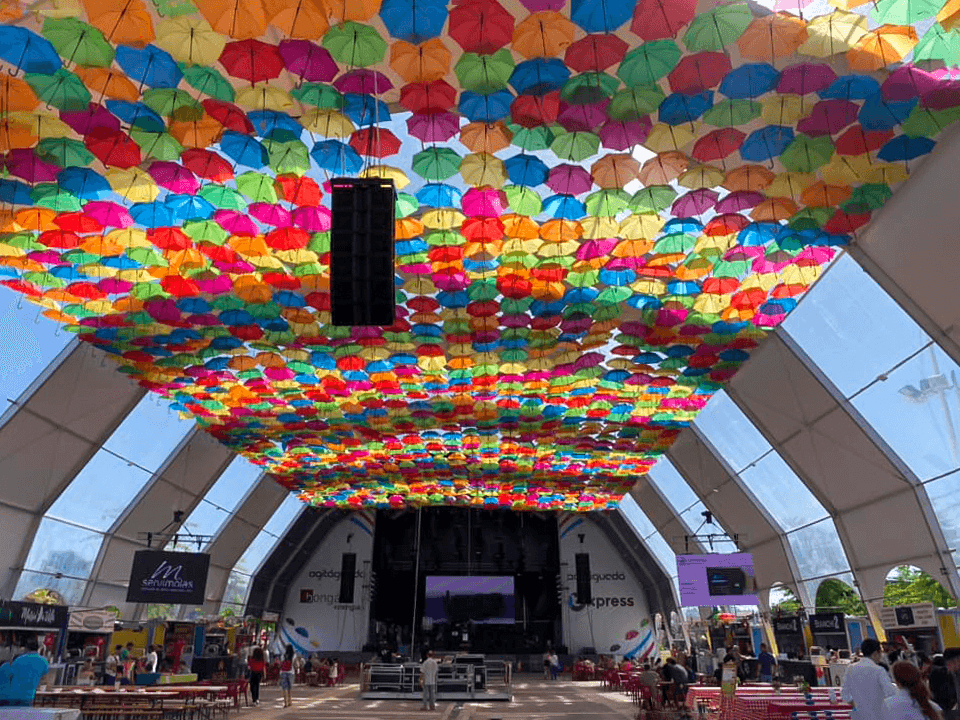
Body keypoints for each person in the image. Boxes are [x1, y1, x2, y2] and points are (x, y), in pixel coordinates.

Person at [843, 638, 896, 720]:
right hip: (878, 715)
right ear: (876, 653)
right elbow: (891, 693)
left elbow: (845, 694)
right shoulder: (879, 670)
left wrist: (858, 705)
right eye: (880, 652)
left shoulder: (850, 668)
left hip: (858, 715)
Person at [0, 637, 49, 706]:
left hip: (12, 694)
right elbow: (44, 674)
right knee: (23, 715)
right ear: (38, 648)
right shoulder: (44, 661)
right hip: (28, 696)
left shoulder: (18, 659)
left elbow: (10, 675)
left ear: (26, 648)